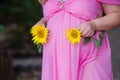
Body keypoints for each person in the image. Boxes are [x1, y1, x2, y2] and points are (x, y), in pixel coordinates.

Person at [36, 0, 120, 80]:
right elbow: (56, 12)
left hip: (89, 55)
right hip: (56, 60)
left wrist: (93, 25)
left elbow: (117, 14)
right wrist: (42, 21)